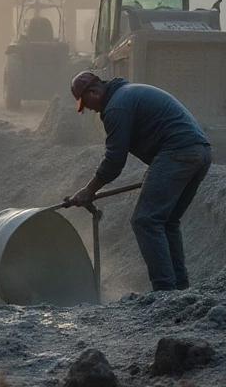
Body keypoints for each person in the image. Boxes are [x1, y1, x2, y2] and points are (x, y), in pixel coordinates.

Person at [66, 71, 212, 292]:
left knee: (145, 220)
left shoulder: (116, 107)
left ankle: (164, 290)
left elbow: (114, 162)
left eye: (87, 104)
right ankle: (181, 289)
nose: (91, 110)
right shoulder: (127, 94)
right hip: (200, 153)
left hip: (177, 152)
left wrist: (89, 190)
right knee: (168, 221)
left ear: (94, 91)